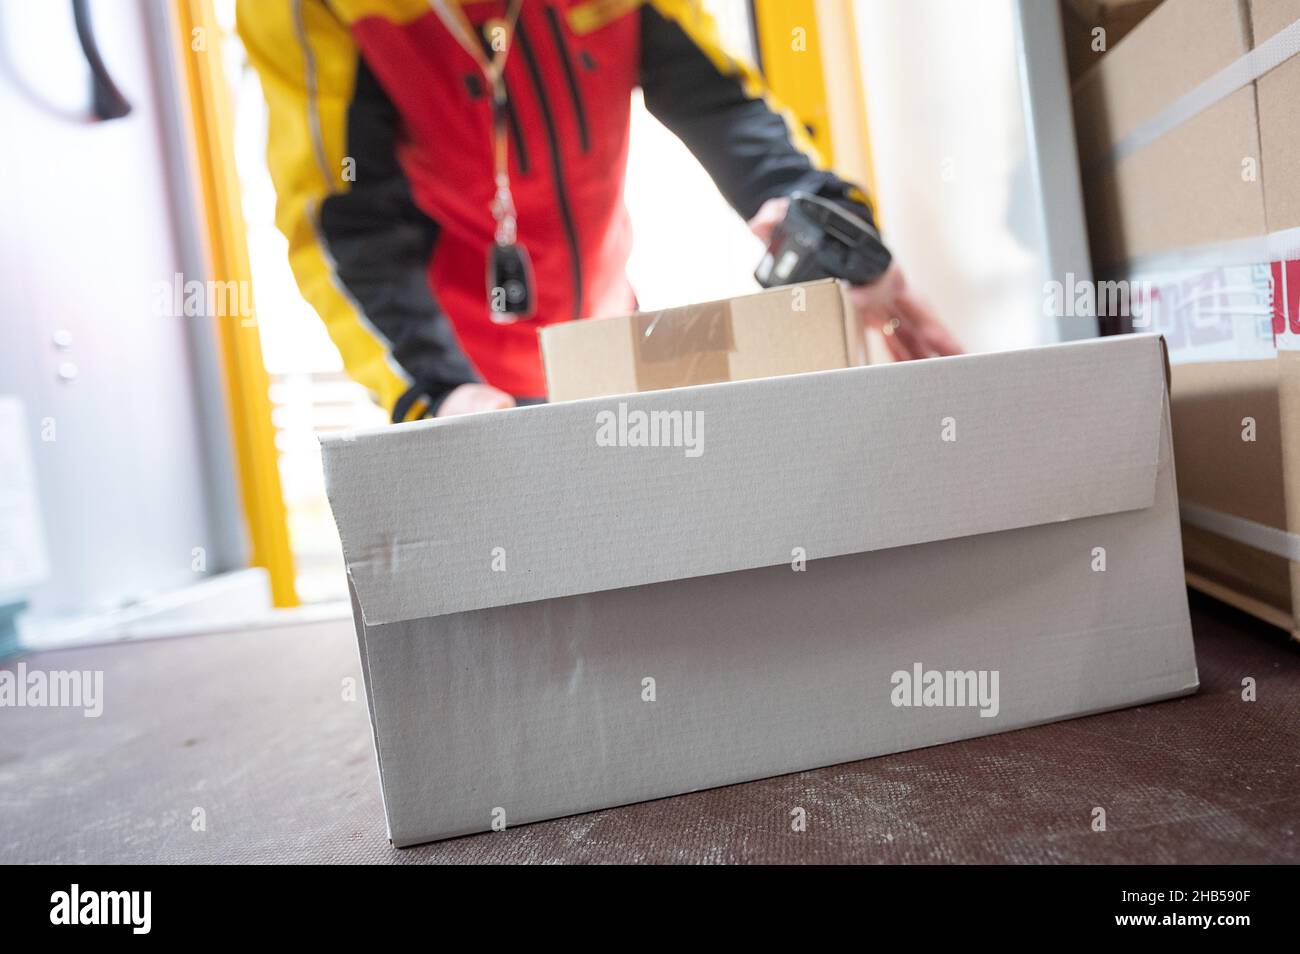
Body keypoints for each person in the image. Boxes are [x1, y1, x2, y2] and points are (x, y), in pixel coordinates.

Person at [238, 0, 961, 420]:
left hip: (601, 336)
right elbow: (343, 215)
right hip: (457, 366)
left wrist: (824, 217)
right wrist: (435, 393)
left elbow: (714, 96)